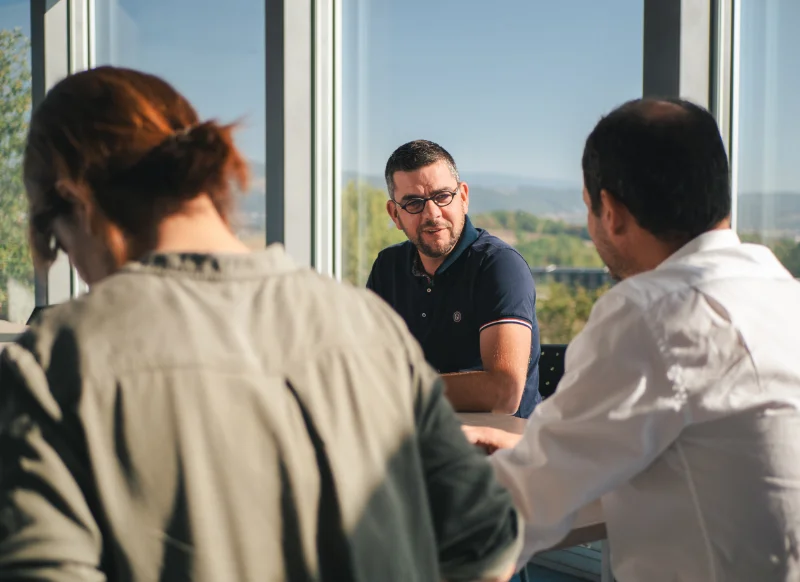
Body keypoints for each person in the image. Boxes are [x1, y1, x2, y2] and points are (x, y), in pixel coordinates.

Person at [0, 66, 522, 582]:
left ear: (75, 199)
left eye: (58, 243)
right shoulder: (367, 327)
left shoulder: (49, 369)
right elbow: (484, 545)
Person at [465, 97, 800, 582]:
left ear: (611, 211)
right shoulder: (781, 293)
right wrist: (539, 449)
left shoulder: (654, 314)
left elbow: (510, 517)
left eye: (588, 208)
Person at [367, 140, 541, 418]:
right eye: (413, 203)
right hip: (412, 442)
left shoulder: (499, 265)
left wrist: (398, 389)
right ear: (395, 214)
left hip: (500, 449)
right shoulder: (387, 267)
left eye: (442, 196)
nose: (432, 214)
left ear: (463, 197)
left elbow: (504, 391)